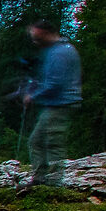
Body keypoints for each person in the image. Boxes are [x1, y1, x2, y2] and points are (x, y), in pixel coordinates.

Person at [14, 19, 81, 186]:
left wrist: (32, 96)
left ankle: (53, 183)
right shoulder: (58, 50)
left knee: (53, 143)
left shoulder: (60, 53)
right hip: (57, 104)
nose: (34, 41)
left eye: (36, 37)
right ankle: (40, 179)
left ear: (46, 33)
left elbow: (55, 84)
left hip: (60, 104)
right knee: (37, 141)